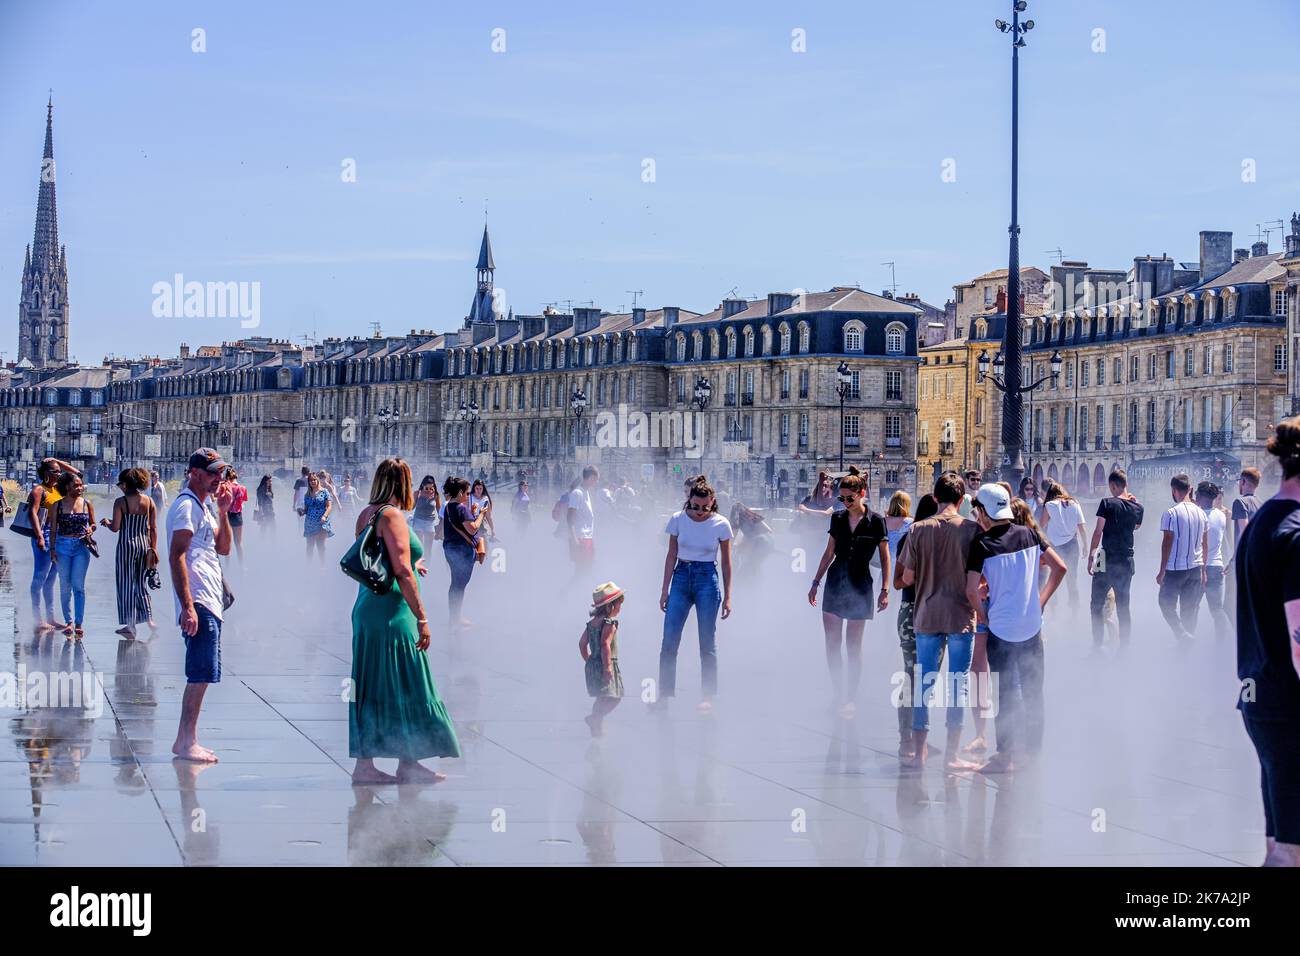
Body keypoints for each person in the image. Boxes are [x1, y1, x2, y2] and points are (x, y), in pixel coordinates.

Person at [349, 458, 460, 785]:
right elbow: (400, 570)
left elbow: (374, 558)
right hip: (392, 614)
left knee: (373, 685)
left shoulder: (366, 514)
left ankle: (370, 764)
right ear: (403, 484)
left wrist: (414, 561)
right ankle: (406, 762)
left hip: (367, 609)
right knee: (411, 682)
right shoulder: (393, 515)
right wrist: (422, 617)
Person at [1234, 418, 1300, 866]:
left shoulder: (1261, 522)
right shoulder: (1296, 532)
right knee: (1290, 852)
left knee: (1278, 846)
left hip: (1260, 698)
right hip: (1290, 703)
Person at [965, 483, 1067, 774]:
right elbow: (1060, 568)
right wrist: (1041, 600)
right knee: (1034, 691)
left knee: (1006, 693)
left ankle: (1005, 756)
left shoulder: (982, 544)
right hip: (1031, 626)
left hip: (1002, 629)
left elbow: (971, 590)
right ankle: (1033, 754)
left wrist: (983, 617)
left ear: (984, 511)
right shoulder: (1030, 534)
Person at [898, 473, 980, 767]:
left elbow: (907, 577)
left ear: (935, 498)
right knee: (958, 685)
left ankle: (918, 753)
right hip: (960, 616)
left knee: (924, 684)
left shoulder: (917, 530)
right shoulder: (972, 530)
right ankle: (952, 756)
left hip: (927, 614)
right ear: (961, 500)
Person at [166, 448, 234, 763]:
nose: (218, 479)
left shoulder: (203, 506)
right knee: (199, 671)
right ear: (194, 473)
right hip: (199, 600)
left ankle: (188, 738)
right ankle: (185, 740)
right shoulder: (185, 507)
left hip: (210, 599)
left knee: (205, 672)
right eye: (212, 473)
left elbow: (222, 547)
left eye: (220, 473)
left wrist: (223, 510)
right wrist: (187, 605)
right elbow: (177, 554)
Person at [808, 473, 888, 719]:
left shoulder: (876, 521)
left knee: (853, 646)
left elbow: (885, 557)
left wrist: (885, 589)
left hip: (860, 582)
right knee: (832, 644)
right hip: (835, 581)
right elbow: (828, 552)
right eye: (841, 498)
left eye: (849, 498)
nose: (844, 502)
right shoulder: (838, 518)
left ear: (861, 493)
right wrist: (815, 581)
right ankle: (838, 693)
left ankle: (851, 697)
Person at [657, 477, 733, 713]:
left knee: (706, 642)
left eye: (705, 508)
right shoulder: (677, 520)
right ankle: (664, 695)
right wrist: (664, 589)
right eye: (695, 506)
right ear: (688, 501)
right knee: (669, 640)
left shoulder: (721, 524)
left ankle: (707, 695)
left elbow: (727, 563)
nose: (699, 512)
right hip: (681, 577)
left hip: (706, 580)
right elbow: (671, 555)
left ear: (712, 503)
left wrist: (728, 596)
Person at [892, 493, 938, 759]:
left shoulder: (931, 539)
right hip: (913, 611)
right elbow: (900, 581)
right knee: (913, 676)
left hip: (924, 611)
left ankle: (916, 736)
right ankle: (906, 738)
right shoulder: (912, 538)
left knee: (923, 677)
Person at [1087, 469, 1143, 649]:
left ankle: (1097, 647)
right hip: (1127, 558)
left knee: (1096, 604)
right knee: (1123, 607)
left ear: (1113, 485)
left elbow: (1098, 532)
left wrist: (1091, 556)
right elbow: (1136, 527)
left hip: (1104, 555)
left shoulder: (1106, 503)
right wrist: (1134, 504)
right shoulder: (1138, 508)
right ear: (1125, 484)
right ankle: (1124, 649)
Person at [99, 467, 157, 638]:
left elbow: (116, 528)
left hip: (126, 545)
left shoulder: (120, 502)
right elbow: (153, 528)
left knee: (125, 584)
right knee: (140, 583)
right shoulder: (149, 502)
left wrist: (106, 523)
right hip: (143, 545)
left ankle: (130, 625)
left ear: (126, 484)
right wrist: (152, 549)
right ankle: (150, 620)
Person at [23, 458, 77, 631]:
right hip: (44, 534)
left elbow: (77, 475)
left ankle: (51, 617)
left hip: (57, 536)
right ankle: (37, 618)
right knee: (40, 576)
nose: (59, 474)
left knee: (51, 580)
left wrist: (56, 461)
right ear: (46, 474)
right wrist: (39, 536)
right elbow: (32, 513)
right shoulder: (39, 490)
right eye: (55, 471)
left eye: (59, 471)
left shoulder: (58, 489)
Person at [1157, 473, 1208, 643]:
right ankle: (1188, 644)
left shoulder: (1170, 513)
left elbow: (1167, 543)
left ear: (1174, 490)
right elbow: (1204, 544)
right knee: (1189, 610)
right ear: (1189, 489)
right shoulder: (1201, 513)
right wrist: (1203, 569)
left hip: (1174, 569)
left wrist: (1162, 571)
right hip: (1195, 568)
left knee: (1165, 603)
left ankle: (1182, 635)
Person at [49, 471, 97, 639]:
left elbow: (93, 523)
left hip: (81, 547)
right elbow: (53, 529)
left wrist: (91, 528)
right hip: (62, 546)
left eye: (80, 485)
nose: (80, 488)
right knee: (65, 586)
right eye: (76, 485)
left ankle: (78, 623)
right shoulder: (58, 505)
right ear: (67, 486)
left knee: (78, 586)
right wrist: (52, 549)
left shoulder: (86, 503)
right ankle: (68, 621)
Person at [580, 582, 625, 737]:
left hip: (593, 664)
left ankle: (596, 729)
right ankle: (595, 718)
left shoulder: (591, 623)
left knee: (601, 697)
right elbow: (605, 644)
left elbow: (582, 644)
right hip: (606, 664)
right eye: (619, 604)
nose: (620, 608)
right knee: (615, 697)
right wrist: (607, 668)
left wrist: (589, 661)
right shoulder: (609, 623)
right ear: (610, 607)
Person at [442, 476, 486, 631]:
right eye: (467, 493)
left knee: (455, 584)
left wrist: (471, 512)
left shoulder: (449, 506)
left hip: (450, 549)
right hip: (461, 551)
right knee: (459, 585)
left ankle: (455, 617)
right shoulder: (460, 508)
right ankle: (455, 619)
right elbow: (473, 528)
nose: (468, 496)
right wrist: (481, 514)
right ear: (460, 492)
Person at [1039, 479, 1087, 610]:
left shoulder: (1049, 505)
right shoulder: (1074, 503)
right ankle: (1074, 609)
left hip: (1055, 546)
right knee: (1072, 578)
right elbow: (1082, 527)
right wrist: (1085, 546)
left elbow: (1041, 525)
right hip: (1072, 544)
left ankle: (1053, 607)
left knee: (1053, 576)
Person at [1195, 480, 1231, 640]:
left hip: (1198, 567)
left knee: (1192, 607)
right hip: (1217, 566)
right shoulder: (1221, 516)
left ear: (1201, 496)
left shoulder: (1197, 515)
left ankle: (1188, 639)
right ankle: (1221, 643)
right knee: (1217, 610)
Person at [567, 466, 599, 576]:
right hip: (580, 538)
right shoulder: (577, 493)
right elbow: (570, 517)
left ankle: (579, 591)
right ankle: (569, 593)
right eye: (596, 479)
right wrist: (574, 538)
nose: (596, 482)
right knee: (581, 571)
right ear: (590, 478)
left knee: (587, 570)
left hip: (587, 537)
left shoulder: (586, 492)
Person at [301, 471, 333, 562]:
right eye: (311, 480)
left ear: (318, 480)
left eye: (314, 480)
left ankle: (322, 566)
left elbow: (329, 506)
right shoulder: (307, 495)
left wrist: (324, 516)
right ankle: (309, 566)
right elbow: (306, 509)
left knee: (321, 545)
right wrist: (302, 511)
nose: (313, 482)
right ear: (309, 482)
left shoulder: (325, 491)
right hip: (310, 522)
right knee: (309, 546)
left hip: (321, 521)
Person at [411, 475, 442, 556]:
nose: (428, 490)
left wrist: (441, 523)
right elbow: (411, 507)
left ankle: (427, 566)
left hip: (430, 523)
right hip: (418, 521)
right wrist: (417, 497)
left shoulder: (436, 495)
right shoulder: (417, 493)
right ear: (422, 486)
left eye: (431, 488)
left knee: (428, 548)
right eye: (426, 488)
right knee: (419, 547)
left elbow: (439, 510)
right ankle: (418, 565)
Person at [225, 468, 248, 563]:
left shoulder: (226, 487)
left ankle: (227, 566)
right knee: (238, 543)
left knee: (228, 542)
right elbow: (243, 501)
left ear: (227, 477)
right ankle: (242, 566)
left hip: (228, 515)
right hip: (238, 515)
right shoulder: (243, 488)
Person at [884, 491, 913, 564]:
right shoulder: (911, 523)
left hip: (886, 566)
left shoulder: (882, 521)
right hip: (902, 567)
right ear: (907, 505)